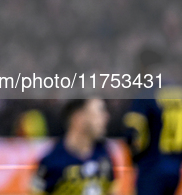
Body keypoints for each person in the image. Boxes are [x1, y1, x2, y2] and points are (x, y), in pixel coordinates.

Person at [123, 47, 182, 195]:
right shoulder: (179, 92)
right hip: (176, 168)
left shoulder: (146, 92)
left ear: (143, 67)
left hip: (152, 167)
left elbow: (133, 132)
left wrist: (136, 157)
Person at [31, 99, 114, 195]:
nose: (106, 117)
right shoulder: (51, 162)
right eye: (100, 111)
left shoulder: (104, 155)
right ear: (78, 118)